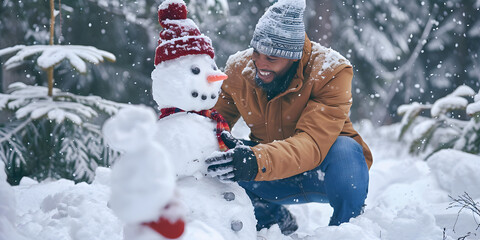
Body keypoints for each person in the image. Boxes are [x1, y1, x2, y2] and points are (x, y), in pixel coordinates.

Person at [205, 0, 373, 235]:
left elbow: (313, 142)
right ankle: (271, 220)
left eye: (272, 58)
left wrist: (257, 160)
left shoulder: (330, 71)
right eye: (257, 52)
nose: (260, 63)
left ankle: (346, 230)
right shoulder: (239, 69)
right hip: (273, 173)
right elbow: (211, 122)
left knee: (346, 151)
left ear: (293, 57)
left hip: (325, 175)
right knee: (218, 155)